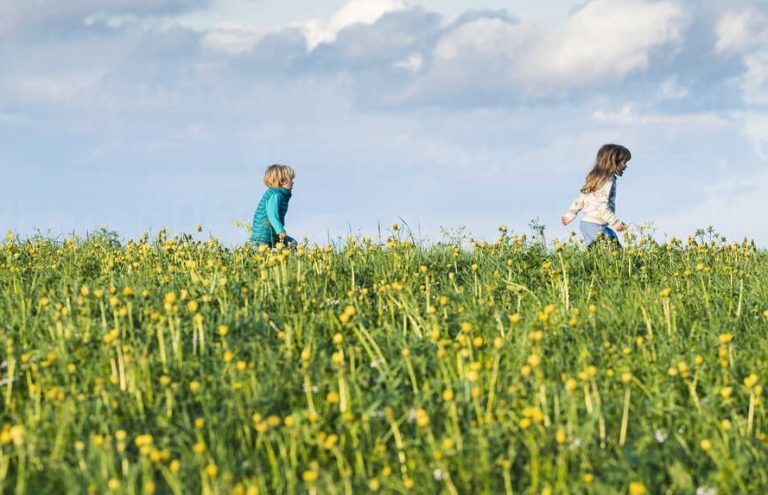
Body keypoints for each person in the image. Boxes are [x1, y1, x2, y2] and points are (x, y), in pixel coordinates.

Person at [561, 144, 631, 247]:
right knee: (614, 252)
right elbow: (602, 206)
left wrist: (570, 214)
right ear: (613, 161)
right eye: (624, 162)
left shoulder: (596, 178)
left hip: (586, 224)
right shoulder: (607, 181)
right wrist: (615, 223)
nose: (625, 166)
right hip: (596, 225)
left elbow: (581, 199)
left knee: (599, 253)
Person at [251, 164, 296, 247]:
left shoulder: (280, 195)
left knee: (292, 244)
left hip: (272, 232)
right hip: (264, 234)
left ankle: (288, 260)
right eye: (291, 180)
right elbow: (272, 215)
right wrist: (280, 230)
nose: (293, 182)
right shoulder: (275, 196)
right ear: (282, 181)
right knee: (264, 256)